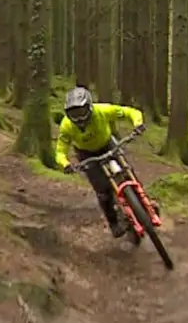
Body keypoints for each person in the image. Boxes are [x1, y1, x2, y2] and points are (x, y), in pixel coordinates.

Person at [56, 86, 145, 238]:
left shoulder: (103, 110)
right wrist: (65, 164)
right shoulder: (66, 126)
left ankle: (144, 203)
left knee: (127, 171)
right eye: (74, 114)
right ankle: (113, 222)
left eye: (82, 112)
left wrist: (138, 123)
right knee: (102, 191)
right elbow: (60, 150)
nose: (79, 118)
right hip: (86, 154)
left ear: (90, 107)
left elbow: (130, 112)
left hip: (108, 144)